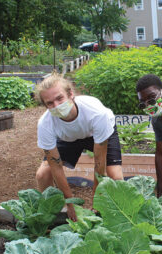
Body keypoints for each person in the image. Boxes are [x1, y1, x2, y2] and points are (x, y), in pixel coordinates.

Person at [35, 75, 123, 221]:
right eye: (50, 103)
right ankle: (49, 216)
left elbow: (99, 162)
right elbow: (55, 166)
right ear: (45, 106)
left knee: (116, 176)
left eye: (60, 98)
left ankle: (117, 215)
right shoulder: (45, 124)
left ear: (71, 94)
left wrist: (97, 198)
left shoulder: (96, 113)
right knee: (42, 174)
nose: (56, 105)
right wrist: (69, 202)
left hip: (95, 132)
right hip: (68, 138)